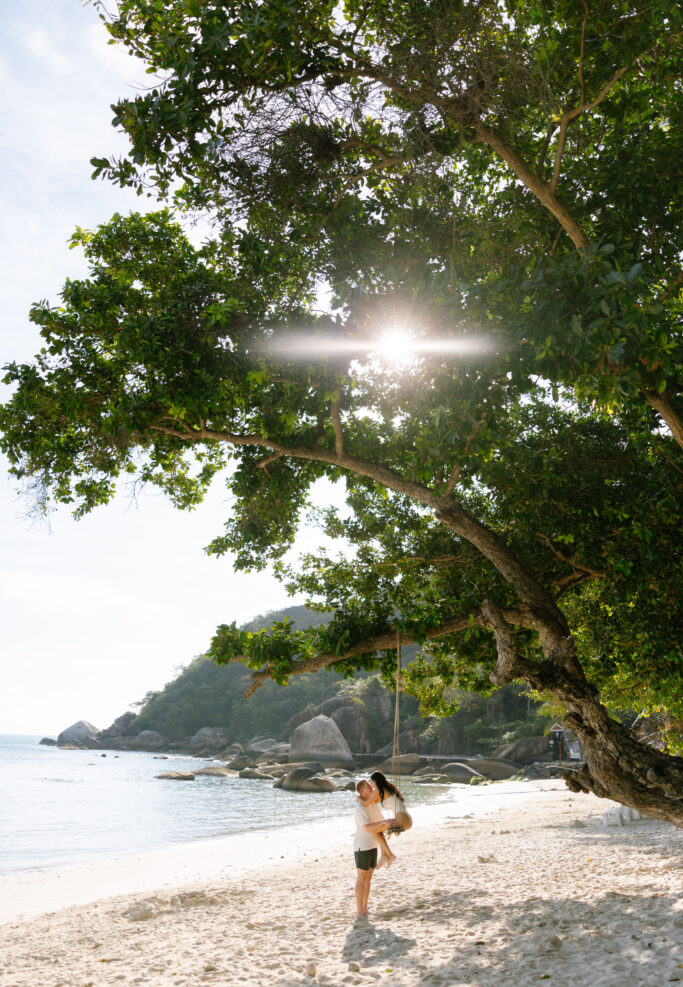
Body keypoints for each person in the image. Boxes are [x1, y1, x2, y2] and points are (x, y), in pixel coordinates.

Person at [353, 779, 393, 919]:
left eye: (371, 786)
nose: (371, 788)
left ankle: (365, 908)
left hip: (372, 845)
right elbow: (369, 828)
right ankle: (359, 910)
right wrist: (383, 823)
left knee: (368, 878)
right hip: (362, 846)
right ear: (362, 791)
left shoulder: (373, 805)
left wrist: (388, 824)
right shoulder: (360, 808)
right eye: (368, 787)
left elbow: (379, 823)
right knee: (361, 878)